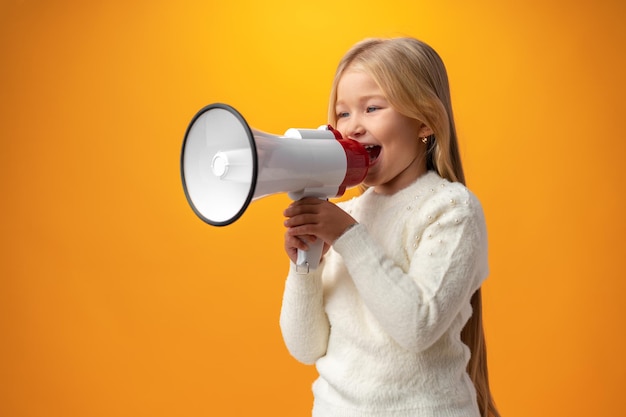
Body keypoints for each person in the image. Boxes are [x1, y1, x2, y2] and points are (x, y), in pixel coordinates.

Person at [279, 37, 501, 417]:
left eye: (372, 108)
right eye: (343, 113)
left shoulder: (450, 210)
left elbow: (416, 327)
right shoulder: (346, 213)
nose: (353, 127)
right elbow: (307, 346)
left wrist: (348, 236)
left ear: (425, 122)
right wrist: (305, 265)